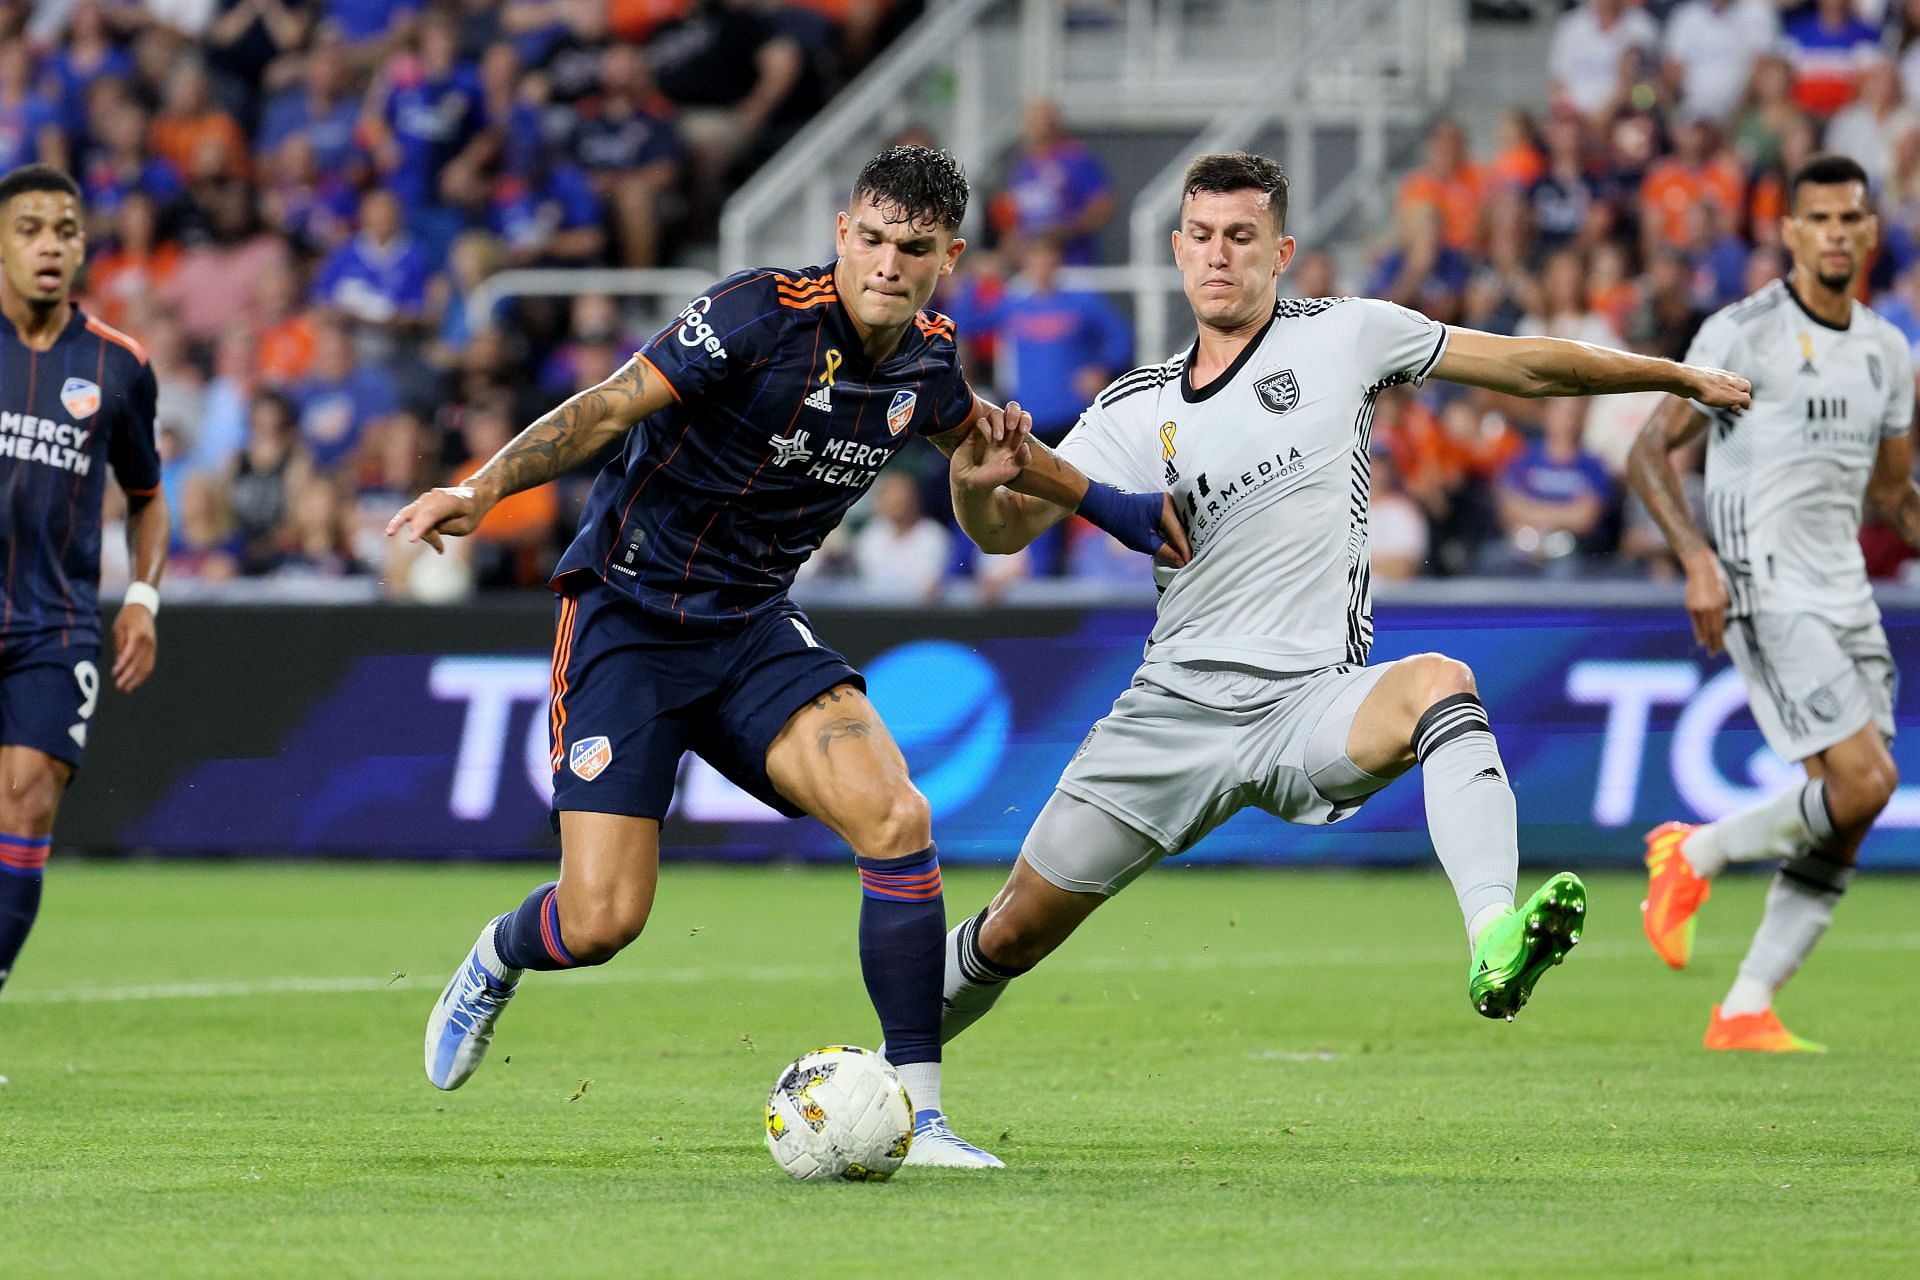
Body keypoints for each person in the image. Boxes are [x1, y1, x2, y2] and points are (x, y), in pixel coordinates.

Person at [387, 145, 1186, 1166]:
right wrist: (483, 486)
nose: (887, 264)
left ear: (950, 256)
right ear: (843, 232)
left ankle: (921, 1113)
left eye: (914, 248)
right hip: (628, 620)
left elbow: (992, 447)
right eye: (871, 239)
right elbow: (613, 402)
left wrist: (1120, 510)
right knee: (601, 920)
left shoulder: (930, 360)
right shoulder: (760, 314)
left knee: (897, 813)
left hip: (754, 625)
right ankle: (500, 952)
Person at [930, 152, 1750, 1079]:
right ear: (1176, 248)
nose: (1218, 256)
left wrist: (1670, 375)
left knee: (1442, 685)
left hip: (1308, 706)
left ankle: (1493, 938)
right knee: (1012, 931)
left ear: (1280, 252)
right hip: (1172, 716)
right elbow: (1002, 530)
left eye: (1240, 238)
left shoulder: (1348, 336)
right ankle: (889, 1071)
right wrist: (970, 483)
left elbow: (1523, 365)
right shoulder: (1132, 407)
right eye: (1201, 237)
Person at [1628, 153, 1918, 1053]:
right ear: (1790, 232)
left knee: (1855, 804)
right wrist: (1697, 560)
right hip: (1761, 583)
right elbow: (1648, 450)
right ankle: (1697, 855)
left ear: (1871, 232)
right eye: (1818, 218)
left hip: (1845, 592)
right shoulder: (1740, 334)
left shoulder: (1886, 351)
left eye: (1851, 219)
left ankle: (1746, 1005)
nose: (1836, 232)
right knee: (1865, 781)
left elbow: (1894, 495)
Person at [0, 165, 168, 1070]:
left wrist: (141, 596)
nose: (50, 245)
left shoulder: (118, 365)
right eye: (29, 229)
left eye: (65, 229)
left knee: (27, 795)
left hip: (53, 622)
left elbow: (148, 497)